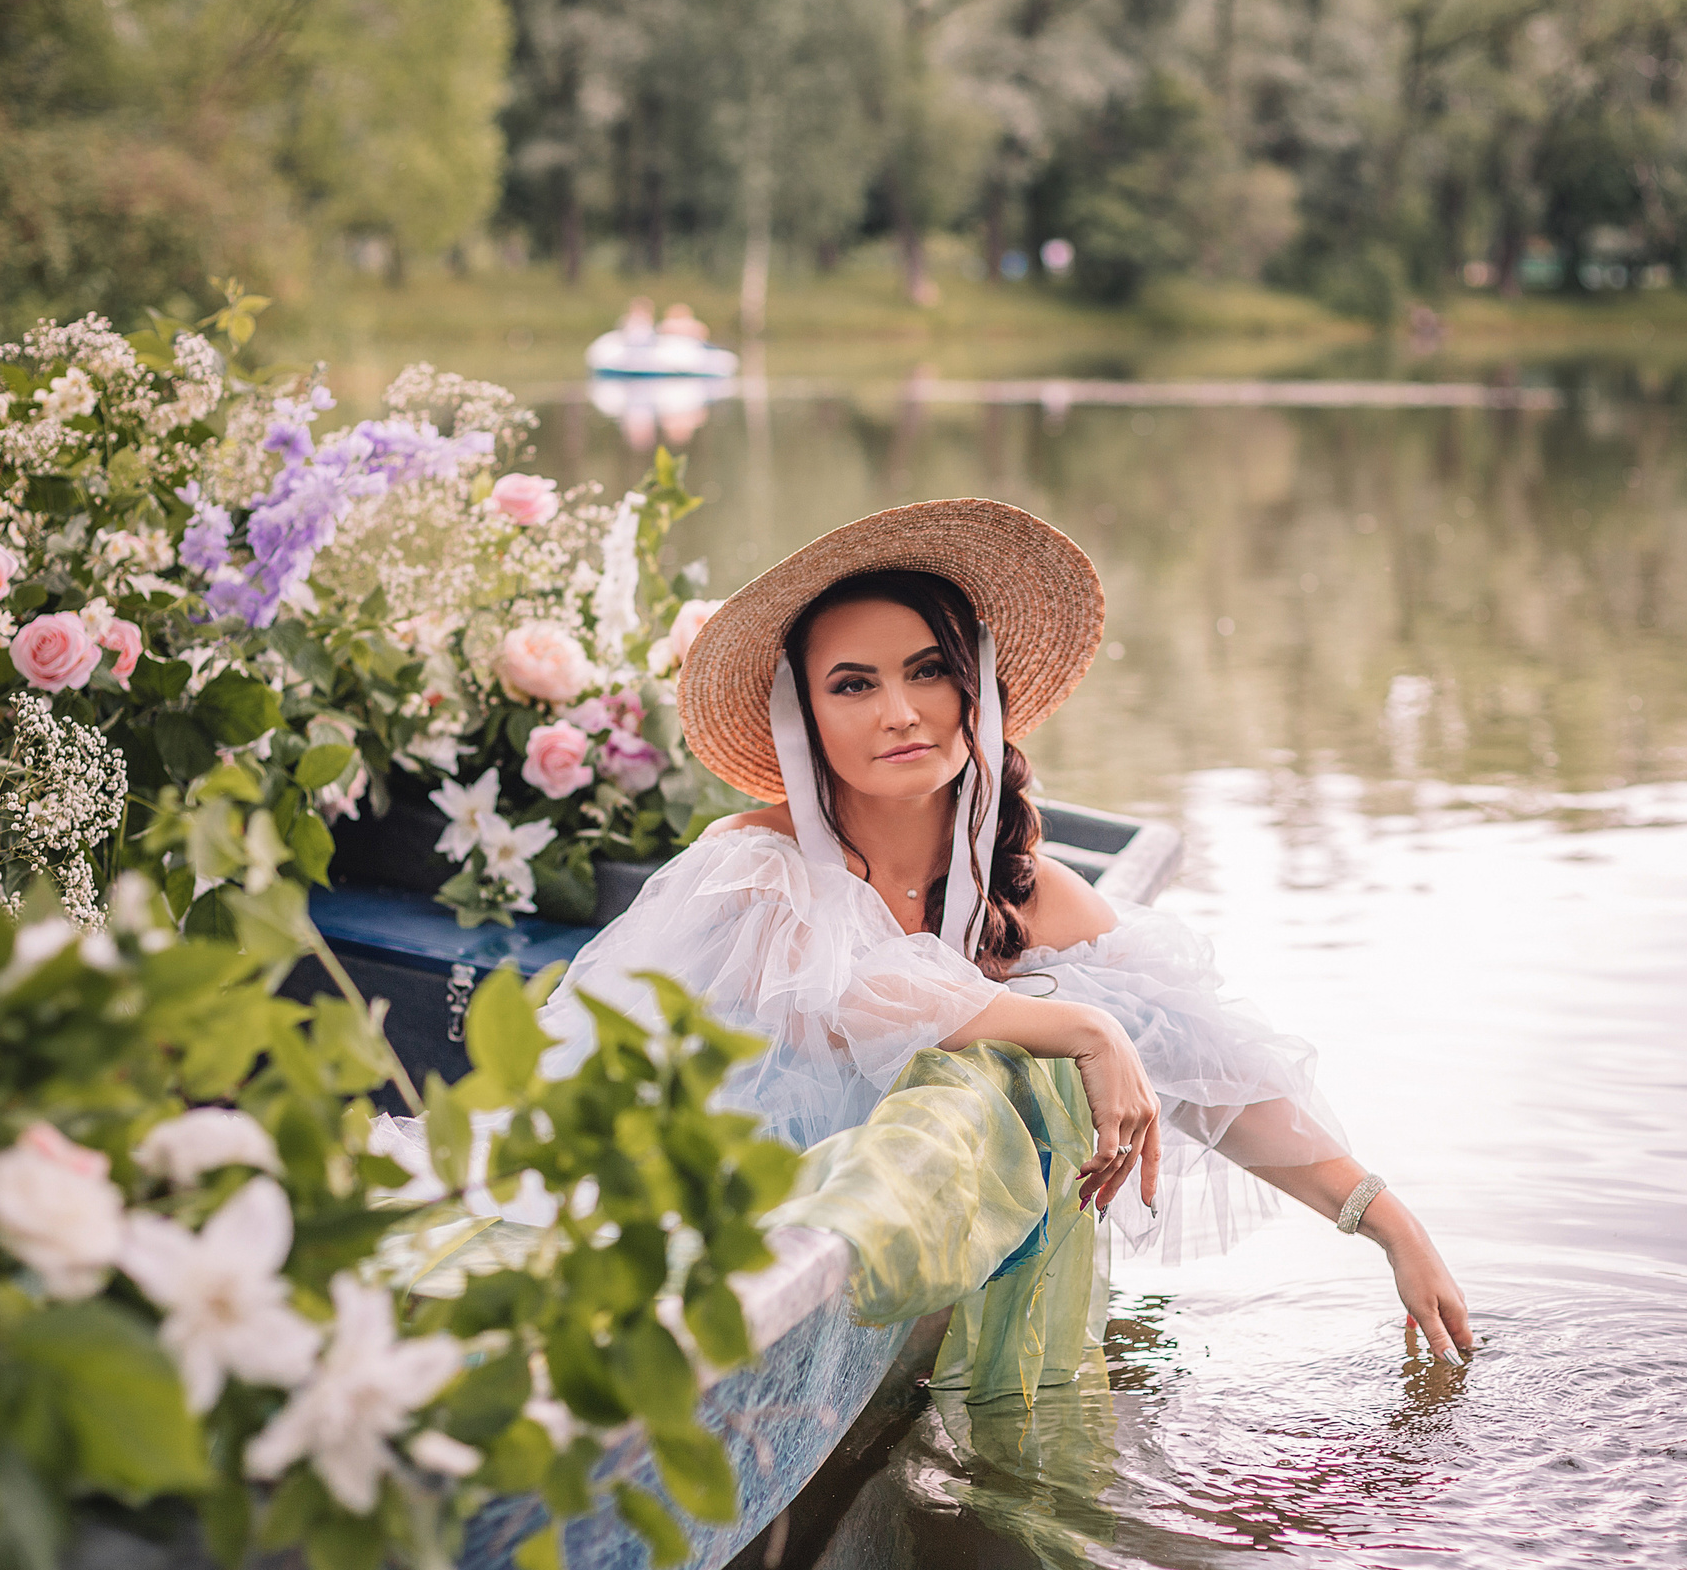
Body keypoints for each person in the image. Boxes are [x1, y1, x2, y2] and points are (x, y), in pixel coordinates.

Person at [542, 499, 1474, 1363]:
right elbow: (859, 995)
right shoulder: (753, 866)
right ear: (805, 718)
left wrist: (1389, 1222)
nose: (901, 712)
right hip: (680, 1215)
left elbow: (1209, 1063)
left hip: (879, 1241)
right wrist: (1081, 1026)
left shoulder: (1029, 892)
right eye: (854, 684)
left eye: (929, 670)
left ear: (975, 687)